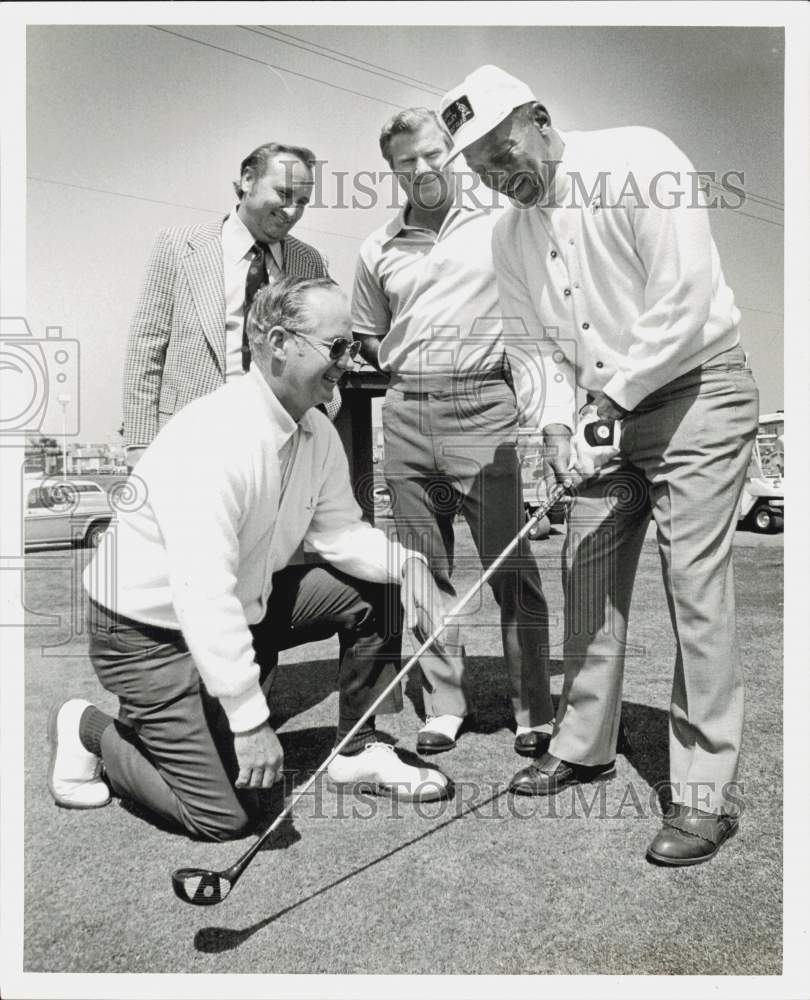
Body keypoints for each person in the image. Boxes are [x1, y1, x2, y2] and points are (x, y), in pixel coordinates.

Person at [439, 64, 759, 866]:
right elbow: (531, 346)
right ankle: (584, 744)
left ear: (541, 120)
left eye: (501, 149)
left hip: (698, 392)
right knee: (587, 572)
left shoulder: (638, 157)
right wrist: (553, 427)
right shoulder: (508, 234)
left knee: (694, 587)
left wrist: (606, 405)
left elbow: (683, 300)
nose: (497, 175)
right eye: (478, 169)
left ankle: (703, 796)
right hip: (598, 414)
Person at [47, 277, 449, 840]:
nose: (349, 362)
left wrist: (409, 568)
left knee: (376, 586)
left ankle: (359, 746)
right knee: (222, 816)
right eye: (337, 347)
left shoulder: (317, 430)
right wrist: (249, 718)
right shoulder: (215, 437)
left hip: (240, 609)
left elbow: (338, 533)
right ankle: (88, 728)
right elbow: (202, 592)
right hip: (143, 634)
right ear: (280, 342)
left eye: (353, 347)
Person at [351, 107, 554, 759]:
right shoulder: (375, 247)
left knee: (510, 568)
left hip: (485, 407)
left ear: (454, 151)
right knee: (422, 571)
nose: (424, 168)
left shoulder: (503, 220)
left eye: (435, 152)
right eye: (407, 160)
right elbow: (368, 336)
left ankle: (533, 709)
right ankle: (444, 704)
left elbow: (540, 313)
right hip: (406, 410)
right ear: (392, 170)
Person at [122, 141, 338, 469]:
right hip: (191, 439)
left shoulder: (310, 262)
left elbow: (326, 348)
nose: (292, 211)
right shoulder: (177, 247)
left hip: (285, 442)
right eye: (284, 194)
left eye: (303, 202)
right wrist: (139, 444)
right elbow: (145, 349)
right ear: (248, 180)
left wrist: (322, 413)